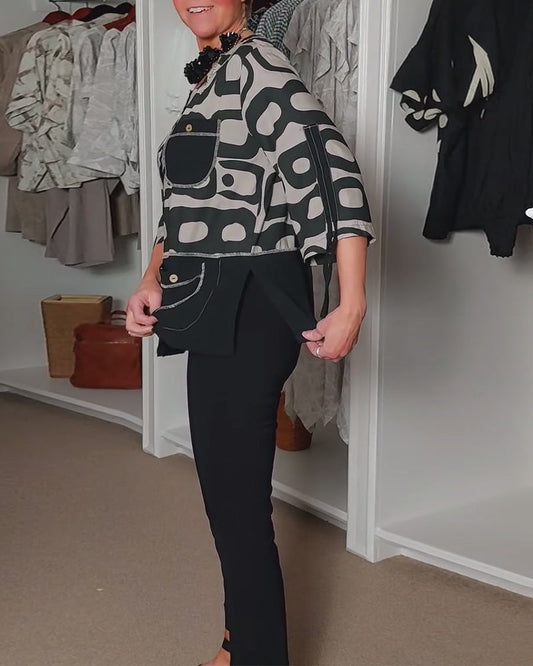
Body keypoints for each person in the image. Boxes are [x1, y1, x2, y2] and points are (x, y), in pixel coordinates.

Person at [126, 0, 375, 663]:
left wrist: (351, 304)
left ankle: (256, 656)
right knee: (226, 492)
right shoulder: (212, 74)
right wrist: (152, 279)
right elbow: (186, 205)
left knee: (234, 498)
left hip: (251, 299)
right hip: (207, 296)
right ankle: (240, 645)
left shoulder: (258, 66)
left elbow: (335, 180)